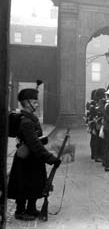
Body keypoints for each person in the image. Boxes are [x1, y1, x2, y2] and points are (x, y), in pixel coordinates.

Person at [8, 88, 61, 221]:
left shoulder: (31, 119)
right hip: (26, 159)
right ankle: (20, 211)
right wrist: (51, 158)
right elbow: (34, 144)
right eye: (35, 102)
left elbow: (35, 139)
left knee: (34, 183)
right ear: (26, 103)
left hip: (33, 159)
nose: (37, 105)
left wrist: (43, 139)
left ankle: (31, 208)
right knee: (23, 184)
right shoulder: (26, 121)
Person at [86, 90, 98, 160]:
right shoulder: (94, 103)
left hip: (90, 123)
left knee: (93, 139)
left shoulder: (89, 103)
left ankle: (93, 154)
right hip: (94, 123)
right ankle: (95, 154)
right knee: (95, 140)